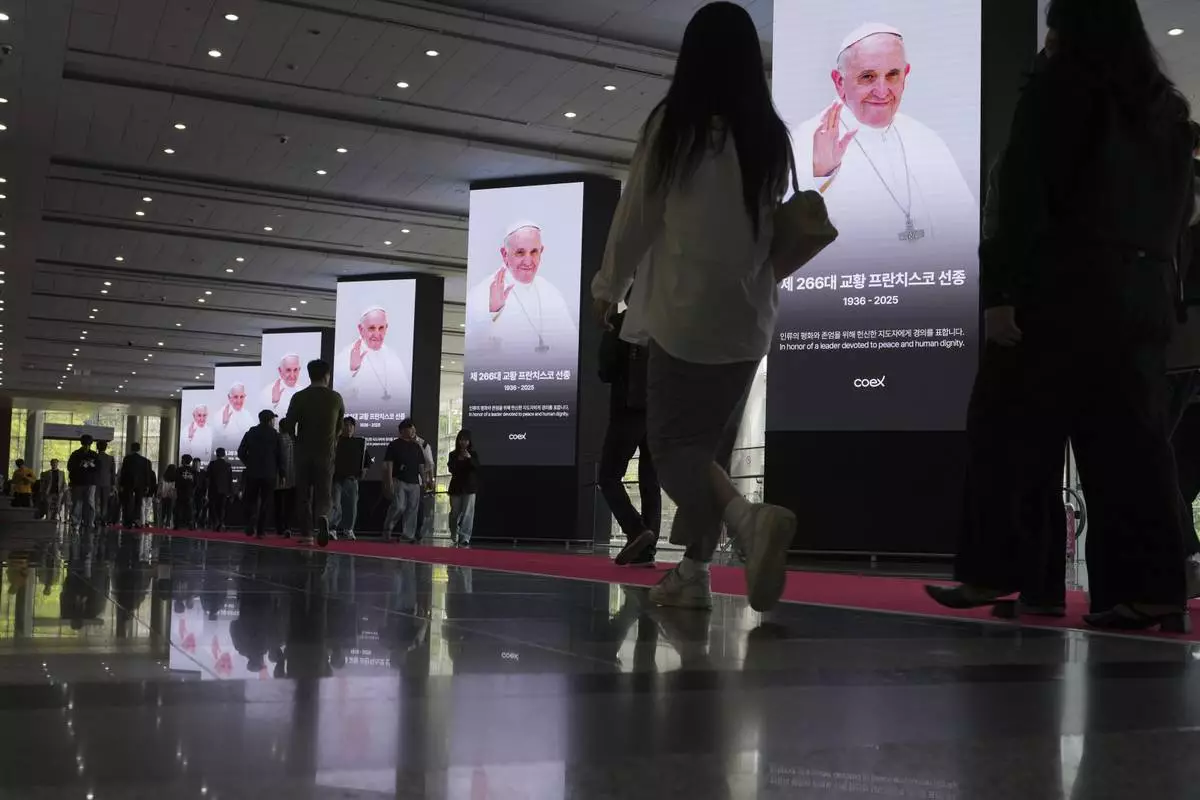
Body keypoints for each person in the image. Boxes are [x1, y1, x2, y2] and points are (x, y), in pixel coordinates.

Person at [927, 0, 1196, 632]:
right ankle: (1150, 591)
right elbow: (1178, 213)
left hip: (1062, 286)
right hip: (1142, 293)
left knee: (1010, 427)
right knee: (1130, 444)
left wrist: (1001, 293)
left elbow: (1023, 196)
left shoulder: (1059, 89)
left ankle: (1007, 572)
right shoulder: (1167, 111)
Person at [591, 2, 798, 612]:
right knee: (711, 452)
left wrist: (608, 287)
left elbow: (636, 216)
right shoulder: (769, 134)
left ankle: (747, 520)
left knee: (675, 448)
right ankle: (695, 573)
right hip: (750, 318)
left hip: (685, 314)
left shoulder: (674, 127)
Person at [792, 22, 978, 267]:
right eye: (867, 77)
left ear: (906, 75)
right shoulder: (803, 141)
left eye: (892, 75)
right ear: (839, 82)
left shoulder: (926, 139)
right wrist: (819, 176)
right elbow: (785, 243)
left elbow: (966, 231)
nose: (882, 91)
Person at [593, 288, 661, 566]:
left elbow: (605, 371)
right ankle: (647, 550)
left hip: (627, 411)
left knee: (608, 476)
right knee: (650, 481)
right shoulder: (664, 327)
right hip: (658, 412)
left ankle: (637, 531)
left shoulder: (620, 325)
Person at [466, 222, 578, 357]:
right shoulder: (483, 292)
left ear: (541, 251)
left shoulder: (550, 292)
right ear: (504, 254)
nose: (528, 261)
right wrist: (493, 311)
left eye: (534, 252)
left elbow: (571, 346)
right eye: (520, 252)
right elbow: (473, 346)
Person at [283, 359, 345, 547]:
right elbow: (340, 427)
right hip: (326, 454)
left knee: (303, 494)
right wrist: (332, 440)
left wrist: (295, 440)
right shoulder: (336, 398)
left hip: (303, 453)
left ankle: (307, 534)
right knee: (324, 492)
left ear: (309, 375)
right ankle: (323, 517)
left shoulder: (299, 397)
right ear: (327, 376)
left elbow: (288, 424)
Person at [336, 307, 411, 407]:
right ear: (361, 329)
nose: (377, 334)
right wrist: (352, 370)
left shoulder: (392, 355)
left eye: (381, 328)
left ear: (386, 328)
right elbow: (336, 390)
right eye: (372, 328)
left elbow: (405, 393)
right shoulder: (346, 354)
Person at [239, 410, 283, 539]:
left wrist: (249, 463)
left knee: (250, 500)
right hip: (269, 474)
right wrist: (282, 472)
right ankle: (260, 531)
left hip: (253, 473)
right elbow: (280, 455)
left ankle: (251, 518)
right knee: (266, 502)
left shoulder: (250, 433)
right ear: (270, 421)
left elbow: (241, 451)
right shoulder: (275, 434)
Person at [383, 419, 427, 543]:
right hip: (399, 480)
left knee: (412, 509)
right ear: (403, 430)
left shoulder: (417, 446)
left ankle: (408, 535)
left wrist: (424, 480)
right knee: (399, 506)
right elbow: (389, 463)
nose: (413, 431)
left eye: (413, 429)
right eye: (410, 428)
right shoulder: (394, 445)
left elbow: (421, 465)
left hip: (414, 482)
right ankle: (388, 528)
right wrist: (389, 481)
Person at [331, 417, 372, 541]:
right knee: (336, 505)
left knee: (351, 506)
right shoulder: (336, 442)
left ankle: (348, 529)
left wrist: (364, 470)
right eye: (346, 425)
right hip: (337, 478)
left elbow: (367, 461)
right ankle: (332, 529)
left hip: (352, 479)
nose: (348, 428)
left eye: (351, 426)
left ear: (354, 428)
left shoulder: (359, 443)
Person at [447, 430, 479, 547]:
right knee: (455, 513)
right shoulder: (452, 454)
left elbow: (477, 467)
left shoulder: (473, 454)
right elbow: (451, 469)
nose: (463, 442)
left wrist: (469, 458)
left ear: (469, 441)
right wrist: (459, 460)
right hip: (456, 487)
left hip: (470, 488)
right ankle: (454, 532)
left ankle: (464, 538)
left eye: (465, 440)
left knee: (468, 514)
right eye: (461, 439)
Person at [67, 435, 101, 530]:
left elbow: (98, 468)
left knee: (87, 503)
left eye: (88, 444)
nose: (86, 446)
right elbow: (70, 467)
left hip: (88, 482)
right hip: (80, 482)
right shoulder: (76, 454)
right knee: (79, 503)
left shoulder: (93, 455)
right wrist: (81, 465)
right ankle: (77, 523)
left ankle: (88, 522)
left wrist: (91, 464)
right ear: (82, 444)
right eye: (85, 444)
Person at [118, 442, 155, 528]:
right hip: (141, 485)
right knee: (139, 503)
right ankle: (137, 520)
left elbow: (124, 472)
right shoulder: (146, 461)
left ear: (131, 449)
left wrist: (121, 484)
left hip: (128, 483)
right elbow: (147, 474)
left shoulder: (127, 459)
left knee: (128, 502)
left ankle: (128, 522)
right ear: (139, 449)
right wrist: (147, 486)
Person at [276, 419, 297, 538]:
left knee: (279, 504)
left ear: (280, 428)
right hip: (293, 478)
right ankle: (288, 527)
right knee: (290, 504)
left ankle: (280, 528)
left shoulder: (277, 439)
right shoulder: (296, 440)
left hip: (279, 478)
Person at [218, 383, 254, 450]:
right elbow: (218, 437)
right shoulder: (221, 413)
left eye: (242, 397)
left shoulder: (247, 414)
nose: (239, 401)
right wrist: (224, 424)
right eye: (235, 397)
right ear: (229, 397)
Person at [207, 448, 234, 532]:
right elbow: (230, 479)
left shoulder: (212, 464)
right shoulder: (228, 465)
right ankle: (221, 523)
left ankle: (216, 522)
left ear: (216, 454)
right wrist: (230, 491)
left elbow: (208, 477)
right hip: (224, 490)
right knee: (222, 508)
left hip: (213, 489)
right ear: (224, 454)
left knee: (213, 507)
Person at [94, 441, 117, 527]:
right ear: (106, 447)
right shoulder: (110, 458)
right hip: (107, 483)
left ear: (97, 447)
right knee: (105, 503)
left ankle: (96, 519)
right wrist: (113, 485)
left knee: (95, 502)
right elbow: (113, 473)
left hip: (95, 483)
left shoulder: (95, 457)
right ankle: (104, 520)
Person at [174, 455, 198, 530]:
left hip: (180, 492)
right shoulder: (194, 470)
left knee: (178, 509)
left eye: (182, 459)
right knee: (190, 509)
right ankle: (191, 525)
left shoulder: (179, 470)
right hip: (190, 493)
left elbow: (177, 481)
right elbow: (196, 483)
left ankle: (177, 525)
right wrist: (192, 490)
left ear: (184, 460)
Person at [159, 465, 177, 529]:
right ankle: (167, 524)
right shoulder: (175, 478)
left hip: (164, 496)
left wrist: (159, 494)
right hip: (171, 497)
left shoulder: (163, 477)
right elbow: (174, 488)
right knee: (169, 511)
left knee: (163, 510)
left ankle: (161, 523)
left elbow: (160, 487)